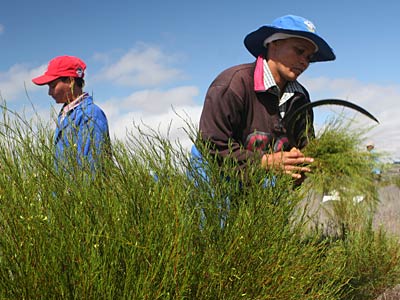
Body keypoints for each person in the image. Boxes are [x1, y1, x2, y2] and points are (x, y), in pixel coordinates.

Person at [194, 15, 335, 182]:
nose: (304, 62)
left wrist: (304, 160)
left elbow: (304, 144)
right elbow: (212, 145)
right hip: (215, 180)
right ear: (274, 44)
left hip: (263, 184)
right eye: (299, 51)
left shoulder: (301, 98)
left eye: (309, 58)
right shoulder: (233, 85)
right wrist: (264, 161)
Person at [32, 55, 111, 172]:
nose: (49, 92)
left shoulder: (90, 114)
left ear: (70, 81)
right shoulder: (66, 114)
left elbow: (93, 169)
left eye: (53, 86)